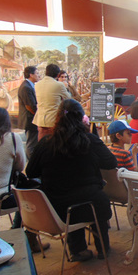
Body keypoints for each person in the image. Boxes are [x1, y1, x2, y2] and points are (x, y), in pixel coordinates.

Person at [26, 99, 116, 261]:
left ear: (58, 117)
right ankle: (103, 247)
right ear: (81, 118)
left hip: (54, 210)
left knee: (73, 197)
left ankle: (78, 249)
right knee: (94, 197)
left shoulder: (45, 144)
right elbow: (111, 162)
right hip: (91, 207)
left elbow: (31, 171)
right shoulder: (90, 141)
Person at [0, 107, 50, 253]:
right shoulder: (11, 139)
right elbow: (20, 166)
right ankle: (28, 237)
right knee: (31, 196)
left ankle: (16, 231)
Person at [33, 64, 71, 141]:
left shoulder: (37, 84)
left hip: (40, 120)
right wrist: (66, 88)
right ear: (57, 75)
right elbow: (69, 99)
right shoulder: (59, 85)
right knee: (54, 146)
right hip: (53, 120)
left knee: (42, 145)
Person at [18, 66, 40, 159]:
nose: (38, 75)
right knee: (31, 143)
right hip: (29, 119)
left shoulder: (30, 85)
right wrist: (37, 116)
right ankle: (31, 164)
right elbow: (29, 106)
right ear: (31, 75)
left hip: (32, 118)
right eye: (37, 73)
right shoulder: (26, 87)